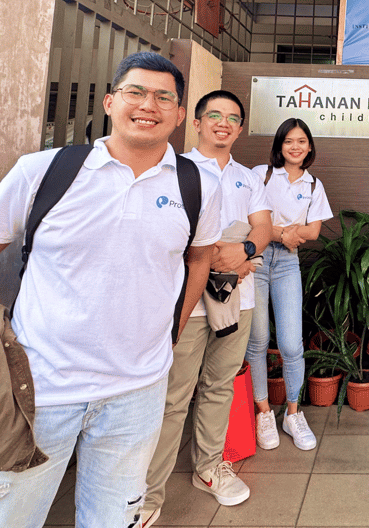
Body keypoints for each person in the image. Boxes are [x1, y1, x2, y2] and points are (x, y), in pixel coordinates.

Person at [0, 52, 223, 528]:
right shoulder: (44, 171)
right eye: (136, 92)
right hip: (37, 390)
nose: (148, 105)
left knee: (113, 520)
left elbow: (199, 258)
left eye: (164, 97)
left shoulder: (199, 186)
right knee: (7, 519)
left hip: (137, 394)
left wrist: (170, 331)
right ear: (111, 102)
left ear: (179, 116)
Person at [140, 90, 271, 527]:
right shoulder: (172, 170)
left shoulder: (248, 177)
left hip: (238, 298)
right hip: (188, 300)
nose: (223, 123)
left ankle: (208, 468)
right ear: (195, 122)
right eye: (214, 115)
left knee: (219, 386)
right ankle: (146, 494)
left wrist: (245, 251)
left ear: (239, 127)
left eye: (233, 117)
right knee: (174, 396)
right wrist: (205, 256)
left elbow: (263, 226)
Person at [247, 118, 333, 452]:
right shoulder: (261, 175)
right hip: (254, 260)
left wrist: (280, 231)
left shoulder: (314, 185)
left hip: (287, 264)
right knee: (257, 340)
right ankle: (264, 410)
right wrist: (283, 232)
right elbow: (252, 220)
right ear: (279, 146)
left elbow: (313, 231)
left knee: (291, 343)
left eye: (301, 142)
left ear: (309, 146)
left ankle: (293, 413)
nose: (295, 147)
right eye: (288, 142)